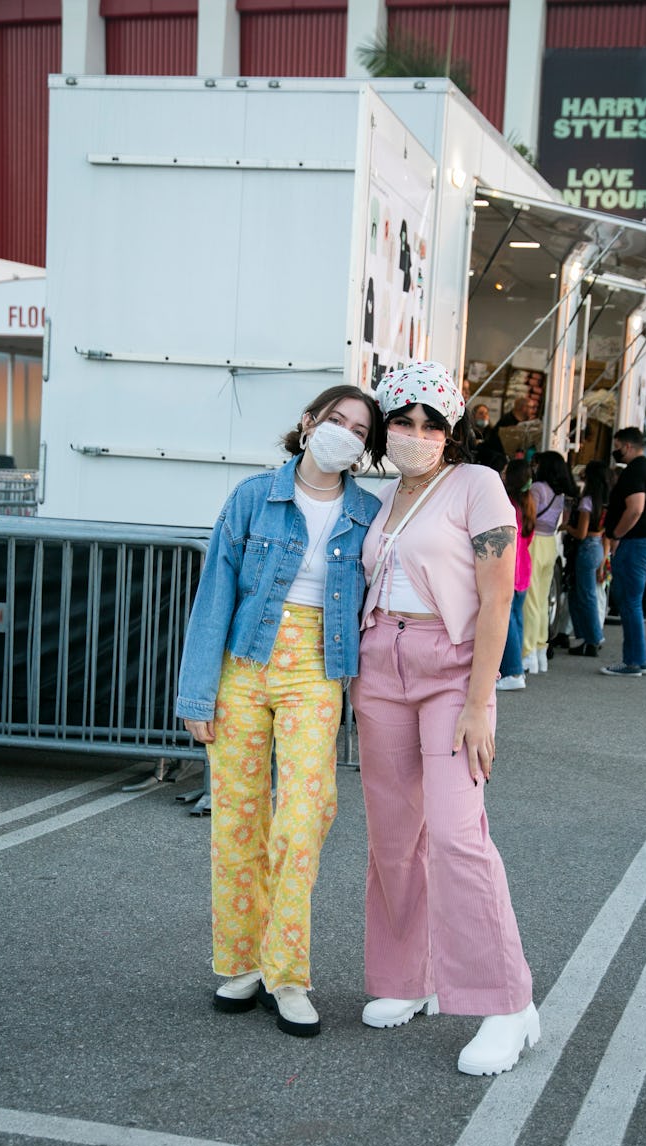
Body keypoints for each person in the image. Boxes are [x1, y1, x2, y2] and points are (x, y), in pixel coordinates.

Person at [349, 361, 539, 1077]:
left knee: (461, 837)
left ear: (450, 430)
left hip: (451, 670)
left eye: (432, 423)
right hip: (381, 666)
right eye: (404, 421)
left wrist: (480, 701)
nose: (417, 434)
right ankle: (409, 977)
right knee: (394, 837)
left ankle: (506, 1003)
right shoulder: (384, 497)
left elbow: (497, 599)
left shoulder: (476, 486)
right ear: (387, 425)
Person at [175, 385, 383, 1037]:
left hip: (317, 669)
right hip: (243, 662)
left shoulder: (368, 513)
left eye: (359, 428)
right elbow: (214, 594)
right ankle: (244, 965)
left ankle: (287, 972)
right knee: (236, 819)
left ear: (364, 449)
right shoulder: (252, 497)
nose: (345, 432)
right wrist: (196, 692)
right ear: (308, 422)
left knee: (301, 817)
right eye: (336, 419)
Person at [601, 427, 646, 677]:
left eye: (617, 445)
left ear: (626, 446)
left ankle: (634, 662)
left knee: (629, 602)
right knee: (632, 601)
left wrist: (616, 533)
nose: (615, 450)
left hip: (636, 543)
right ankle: (638, 659)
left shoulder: (634, 472)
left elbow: (635, 508)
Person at [521, 450, 577, 674]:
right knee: (542, 600)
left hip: (534, 544)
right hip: (550, 544)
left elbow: (529, 517)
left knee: (530, 602)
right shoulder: (559, 494)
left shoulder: (537, 489)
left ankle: (527, 654)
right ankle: (540, 650)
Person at [565, 459, 610, 658]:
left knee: (585, 595)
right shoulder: (606, 502)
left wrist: (566, 527)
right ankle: (587, 638)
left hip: (586, 547)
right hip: (599, 545)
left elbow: (581, 533)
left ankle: (593, 638)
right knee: (585, 594)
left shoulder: (587, 501)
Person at [497, 459, 536, 690]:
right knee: (517, 619)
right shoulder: (528, 504)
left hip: (510, 570)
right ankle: (517, 667)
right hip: (524, 571)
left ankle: (512, 672)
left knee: (508, 620)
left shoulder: (508, 505)